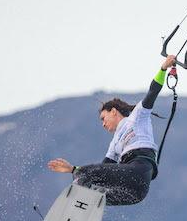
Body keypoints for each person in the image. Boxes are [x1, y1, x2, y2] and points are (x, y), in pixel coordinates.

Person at [47, 54, 177, 205]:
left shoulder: (138, 116)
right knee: (95, 195)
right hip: (131, 191)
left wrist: (163, 68)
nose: (103, 124)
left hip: (140, 172)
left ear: (113, 111)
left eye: (103, 118)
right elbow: (104, 169)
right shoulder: (115, 143)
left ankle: (74, 204)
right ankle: (76, 219)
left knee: (86, 175)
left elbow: (152, 92)